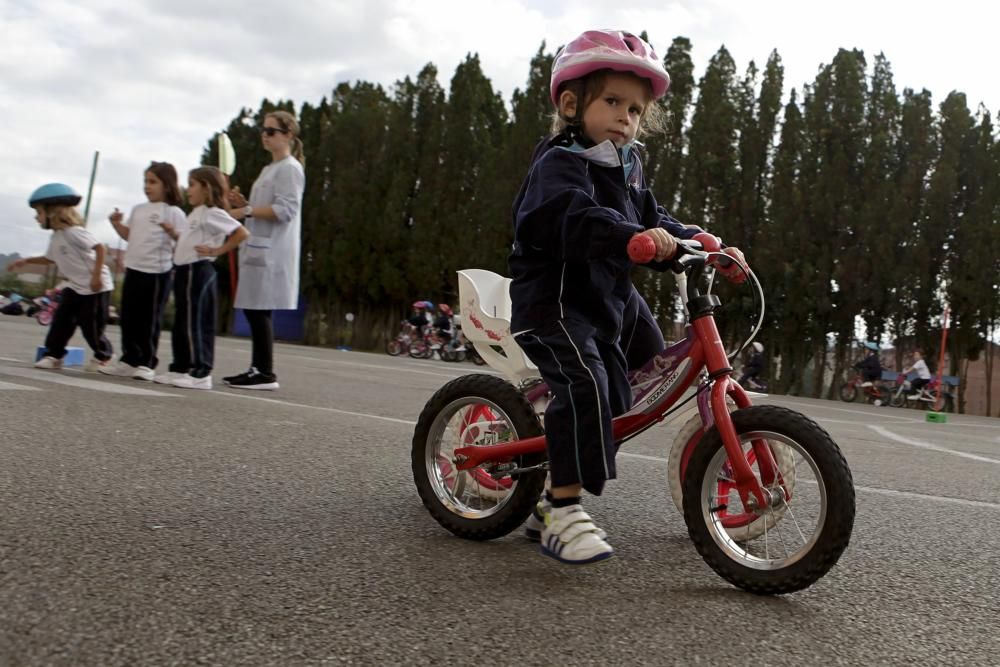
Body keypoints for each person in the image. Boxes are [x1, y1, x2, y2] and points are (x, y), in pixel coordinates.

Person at [508, 30, 746, 564]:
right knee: (589, 381)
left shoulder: (628, 164)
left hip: (606, 296)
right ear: (572, 104)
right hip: (556, 301)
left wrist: (698, 238)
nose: (625, 117)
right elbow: (573, 216)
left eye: (636, 110)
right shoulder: (560, 164)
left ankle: (582, 434)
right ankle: (558, 508)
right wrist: (628, 238)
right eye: (612, 101)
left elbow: (648, 218)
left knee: (643, 368)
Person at [222, 111, 306, 391]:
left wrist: (244, 209)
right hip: (259, 246)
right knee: (254, 308)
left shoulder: (290, 168)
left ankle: (264, 371)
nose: (265, 135)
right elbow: (264, 206)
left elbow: (286, 210)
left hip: (273, 251)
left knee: (259, 310)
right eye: (264, 130)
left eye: (272, 131)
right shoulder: (269, 168)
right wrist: (245, 202)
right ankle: (257, 368)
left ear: (288, 136)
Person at [155, 167, 248, 390]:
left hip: (198, 270)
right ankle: (180, 367)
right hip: (184, 272)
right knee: (182, 322)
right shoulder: (196, 213)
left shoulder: (213, 212)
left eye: (193, 184)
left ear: (206, 188)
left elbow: (241, 233)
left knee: (196, 322)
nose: (188, 189)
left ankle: (201, 372)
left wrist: (218, 251)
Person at [6, 183, 114, 371]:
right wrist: (26, 261)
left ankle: (103, 356)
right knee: (61, 321)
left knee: (91, 327)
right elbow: (49, 259)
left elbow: (100, 248)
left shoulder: (74, 232)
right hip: (74, 286)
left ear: (53, 212)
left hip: (96, 286)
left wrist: (96, 276)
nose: (36, 217)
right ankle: (54, 355)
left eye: (39, 212)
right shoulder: (56, 237)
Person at [100, 162, 186, 381]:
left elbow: (183, 240)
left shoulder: (173, 212)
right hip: (134, 268)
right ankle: (129, 359)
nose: (147, 186)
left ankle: (147, 362)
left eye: (153, 182)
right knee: (128, 317)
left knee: (149, 319)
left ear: (167, 185)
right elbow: (129, 235)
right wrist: (116, 225)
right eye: (145, 181)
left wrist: (171, 231)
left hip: (157, 272)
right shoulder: (138, 209)